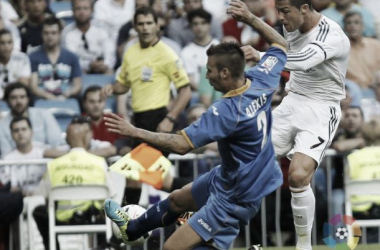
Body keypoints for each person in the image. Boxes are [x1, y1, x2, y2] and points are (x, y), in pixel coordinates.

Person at [103, 1, 287, 249]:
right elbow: (282, 46)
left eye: (209, 70)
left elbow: (180, 144)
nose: (205, 75)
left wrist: (134, 131)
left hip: (238, 193)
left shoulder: (226, 111)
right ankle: (132, 228)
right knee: (178, 200)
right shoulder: (261, 77)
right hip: (233, 177)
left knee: (172, 247)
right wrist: (251, 19)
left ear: (224, 73)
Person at [242, 0, 350, 249]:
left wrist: (259, 53)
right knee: (245, 165)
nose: (280, 17)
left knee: (299, 176)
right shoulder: (293, 25)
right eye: (278, 10)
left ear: (304, 8)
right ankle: (210, 228)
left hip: (322, 109)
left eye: (285, 11)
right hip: (292, 103)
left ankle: (304, 245)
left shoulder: (332, 36)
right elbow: (283, 43)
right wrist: (251, 18)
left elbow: (300, 60)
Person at [33, 116, 109, 250]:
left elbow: (44, 196)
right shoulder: (99, 162)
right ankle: (103, 247)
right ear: (87, 138)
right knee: (107, 209)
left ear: (67, 139)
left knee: (40, 211)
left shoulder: (54, 165)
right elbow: (110, 194)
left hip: (61, 220)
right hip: (92, 218)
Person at [0, 83, 62, 157]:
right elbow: (6, 155)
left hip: (48, 161)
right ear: (7, 101)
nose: (18, 101)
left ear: (28, 99)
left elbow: (58, 145)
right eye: (13, 98)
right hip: (18, 165)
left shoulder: (44, 115)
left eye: (22, 97)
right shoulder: (2, 125)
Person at [29, 16, 82, 100]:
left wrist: (68, 93)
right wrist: (47, 96)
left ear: (60, 34)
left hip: (66, 100)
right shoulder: (33, 57)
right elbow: (33, 86)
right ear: (41, 34)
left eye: (53, 33)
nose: (49, 36)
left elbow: (78, 85)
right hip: (42, 100)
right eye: (46, 33)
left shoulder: (72, 57)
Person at [61, 0, 115, 74]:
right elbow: (70, 59)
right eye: (78, 8)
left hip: (102, 67)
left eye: (85, 8)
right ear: (73, 11)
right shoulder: (67, 33)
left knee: (110, 72)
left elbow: (110, 54)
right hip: (80, 70)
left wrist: (105, 64)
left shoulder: (103, 29)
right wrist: (88, 65)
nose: (82, 12)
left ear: (92, 11)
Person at [181, 8, 219, 91]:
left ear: (209, 25)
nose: (199, 27)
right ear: (190, 26)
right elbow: (190, 79)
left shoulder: (219, 46)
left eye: (203, 23)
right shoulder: (185, 52)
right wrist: (204, 93)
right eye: (195, 24)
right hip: (197, 93)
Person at [343, 11, 380, 91]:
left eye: (356, 22)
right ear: (345, 28)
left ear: (362, 26)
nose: (352, 26)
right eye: (349, 23)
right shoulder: (341, 51)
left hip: (377, 90)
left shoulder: (376, 46)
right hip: (353, 94)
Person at [0, 29, 31, 99]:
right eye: (2, 43)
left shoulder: (22, 59)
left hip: (16, 99)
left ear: (13, 44)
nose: (6, 46)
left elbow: (23, 85)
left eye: (9, 42)